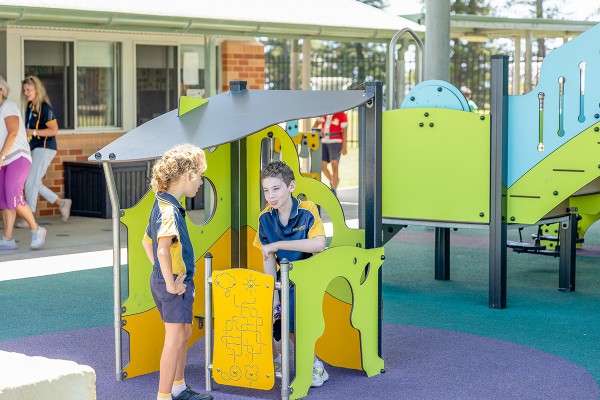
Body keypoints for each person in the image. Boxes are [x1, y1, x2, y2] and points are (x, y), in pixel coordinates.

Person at [141, 144, 212, 400]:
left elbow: (146, 242)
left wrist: (161, 274)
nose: (201, 182)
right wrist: (170, 283)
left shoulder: (162, 203)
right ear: (188, 175)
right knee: (174, 339)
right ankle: (164, 395)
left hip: (166, 280)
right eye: (200, 176)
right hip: (174, 284)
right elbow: (161, 250)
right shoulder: (169, 211)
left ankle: (178, 387)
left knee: (184, 332)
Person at [253, 160, 328, 388]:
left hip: (308, 277)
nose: (271, 196)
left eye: (276, 189)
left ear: (291, 186)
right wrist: (273, 294)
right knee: (265, 313)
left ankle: (316, 366)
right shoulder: (265, 217)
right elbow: (267, 257)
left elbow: (319, 244)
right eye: (266, 190)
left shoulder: (307, 210)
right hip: (282, 278)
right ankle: (277, 361)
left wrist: (277, 244)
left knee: (292, 323)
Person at [15, 75, 71, 228]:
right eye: (24, 90)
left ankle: (30, 217)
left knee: (31, 181)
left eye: (29, 89)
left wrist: (32, 132)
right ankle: (61, 203)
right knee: (34, 181)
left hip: (45, 147)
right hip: (35, 147)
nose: (26, 92)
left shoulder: (45, 107)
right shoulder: (30, 106)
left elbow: (54, 130)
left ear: (37, 89)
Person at [0, 75, 47, 250]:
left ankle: (37, 230)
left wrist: (1, 156)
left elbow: (13, 132)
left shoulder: (9, 106)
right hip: (4, 160)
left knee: (14, 196)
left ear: (1, 90)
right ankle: (7, 239)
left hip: (17, 158)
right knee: (5, 200)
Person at [312, 112, 348, 196]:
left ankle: (334, 190)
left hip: (336, 142)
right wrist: (315, 133)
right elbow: (315, 126)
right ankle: (333, 180)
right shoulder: (324, 112)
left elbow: (345, 131)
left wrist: (344, 146)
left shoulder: (341, 114)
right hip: (324, 142)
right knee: (323, 166)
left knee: (334, 165)